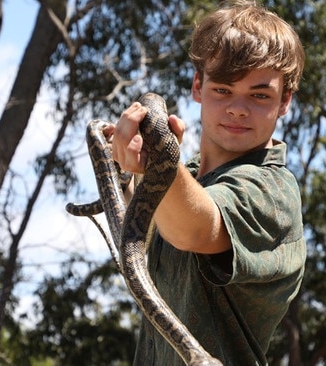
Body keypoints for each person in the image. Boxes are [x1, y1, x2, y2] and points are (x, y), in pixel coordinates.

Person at [107, 1, 306, 364]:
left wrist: (160, 163)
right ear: (198, 86)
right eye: (223, 89)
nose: (238, 108)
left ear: (285, 101)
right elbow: (147, 229)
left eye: (260, 95)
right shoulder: (193, 175)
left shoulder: (273, 191)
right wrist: (129, 169)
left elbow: (194, 230)